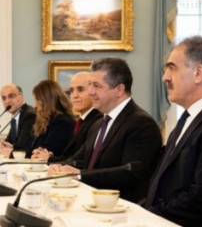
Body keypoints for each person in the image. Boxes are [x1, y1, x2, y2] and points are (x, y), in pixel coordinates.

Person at [48, 58, 162, 202]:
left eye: (96, 85)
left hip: (120, 206)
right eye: (90, 85)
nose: (90, 92)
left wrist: (80, 175)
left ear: (119, 90)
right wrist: (60, 167)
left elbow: (129, 175)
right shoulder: (98, 124)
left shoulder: (142, 124)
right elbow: (79, 159)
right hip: (89, 200)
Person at [144, 36, 202, 227]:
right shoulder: (187, 118)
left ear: (198, 73)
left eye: (172, 68)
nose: (165, 77)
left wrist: (146, 218)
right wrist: (135, 210)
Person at [32, 72, 102, 162]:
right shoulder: (83, 121)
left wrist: (50, 159)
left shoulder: (98, 120)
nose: (74, 95)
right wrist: (50, 157)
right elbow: (72, 156)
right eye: (71, 91)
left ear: (93, 92)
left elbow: (82, 161)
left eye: (80, 89)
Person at [23, 80, 75, 159]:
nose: (35, 106)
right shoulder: (45, 122)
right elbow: (30, 147)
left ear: (48, 101)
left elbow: (45, 152)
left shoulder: (63, 123)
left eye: (37, 101)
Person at [0, 84, 36, 154]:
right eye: (4, 98)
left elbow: (22, 146)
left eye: (11, 96)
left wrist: (6, 147)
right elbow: (9, 141)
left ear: (22, 97)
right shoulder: (15, 117)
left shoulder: (29, 115)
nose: (7, 101)